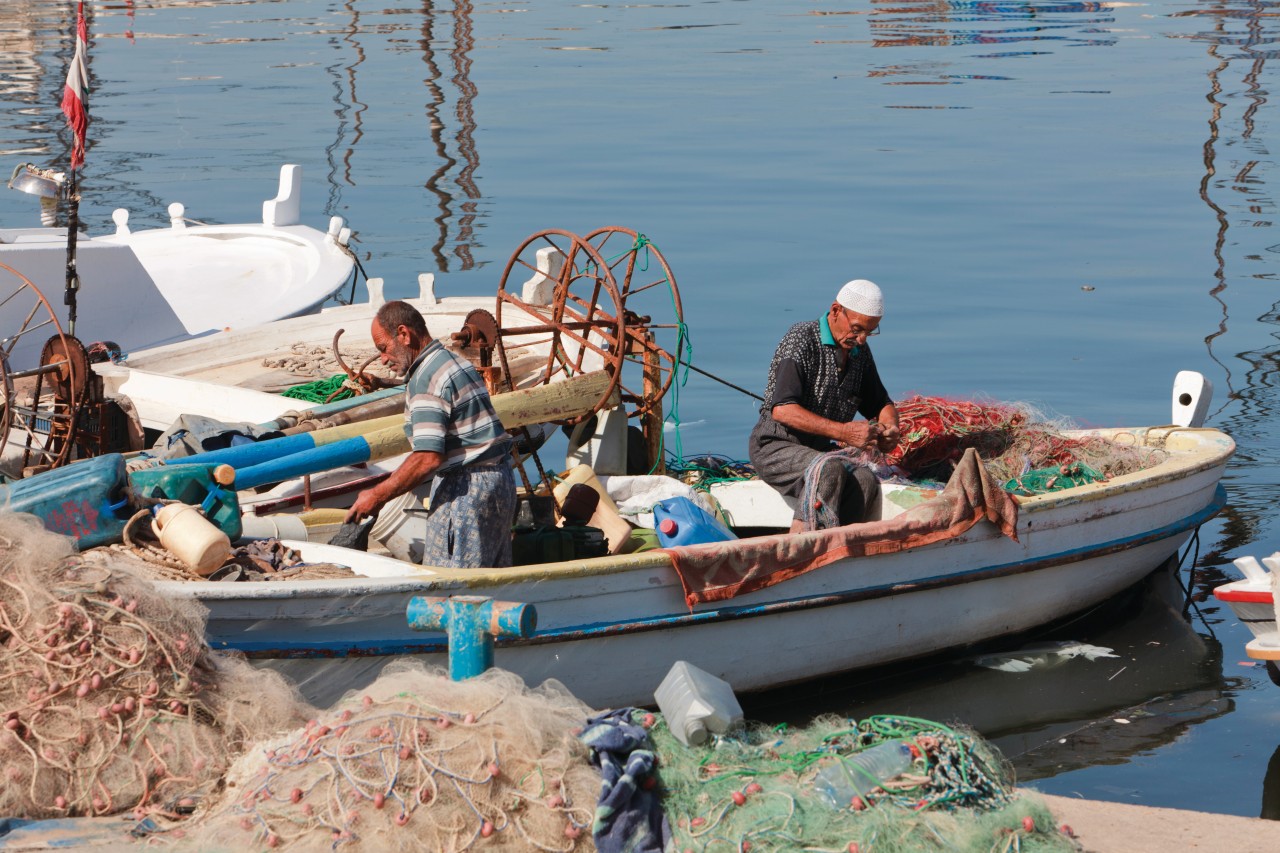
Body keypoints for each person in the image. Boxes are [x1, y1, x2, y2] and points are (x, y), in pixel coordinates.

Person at [344, 300, 516, 567]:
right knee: (488, 582)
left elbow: (428, 458)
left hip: (466, 490)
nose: (383, 359)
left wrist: (377, 495)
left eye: (383, 348)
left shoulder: (427, 379)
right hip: (498, 480)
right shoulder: (451, 362)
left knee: (455, 587)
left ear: (404, 334)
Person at [747, 279, 900, 532]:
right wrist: (844, 433)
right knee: (827, 469)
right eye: (857, 329)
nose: (861, 339)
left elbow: (881, 403)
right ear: (836, 310)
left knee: (864, 479)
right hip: (775, 447)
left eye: (870, 332)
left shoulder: (858, 352)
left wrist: (889, 428)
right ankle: (799, 547)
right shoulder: (801, 339)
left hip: (817, 451)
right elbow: (782, 409)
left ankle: (841, 550)